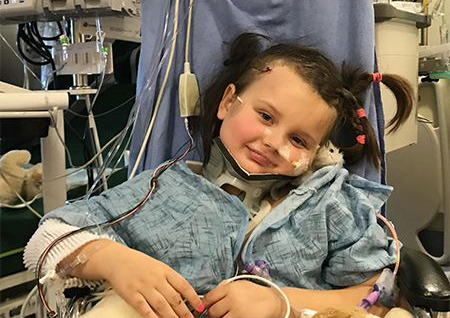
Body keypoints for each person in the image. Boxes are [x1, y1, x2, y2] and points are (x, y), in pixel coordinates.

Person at [24, 33, 414, 318]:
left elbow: (376, 296)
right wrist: (117, 262)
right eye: (265, 116)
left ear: (315, 154)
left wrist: (283, 303)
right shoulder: (165, 190)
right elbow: (48, 237)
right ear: (228, 102)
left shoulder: (332, 206)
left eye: (298, 138)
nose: (273, 142)